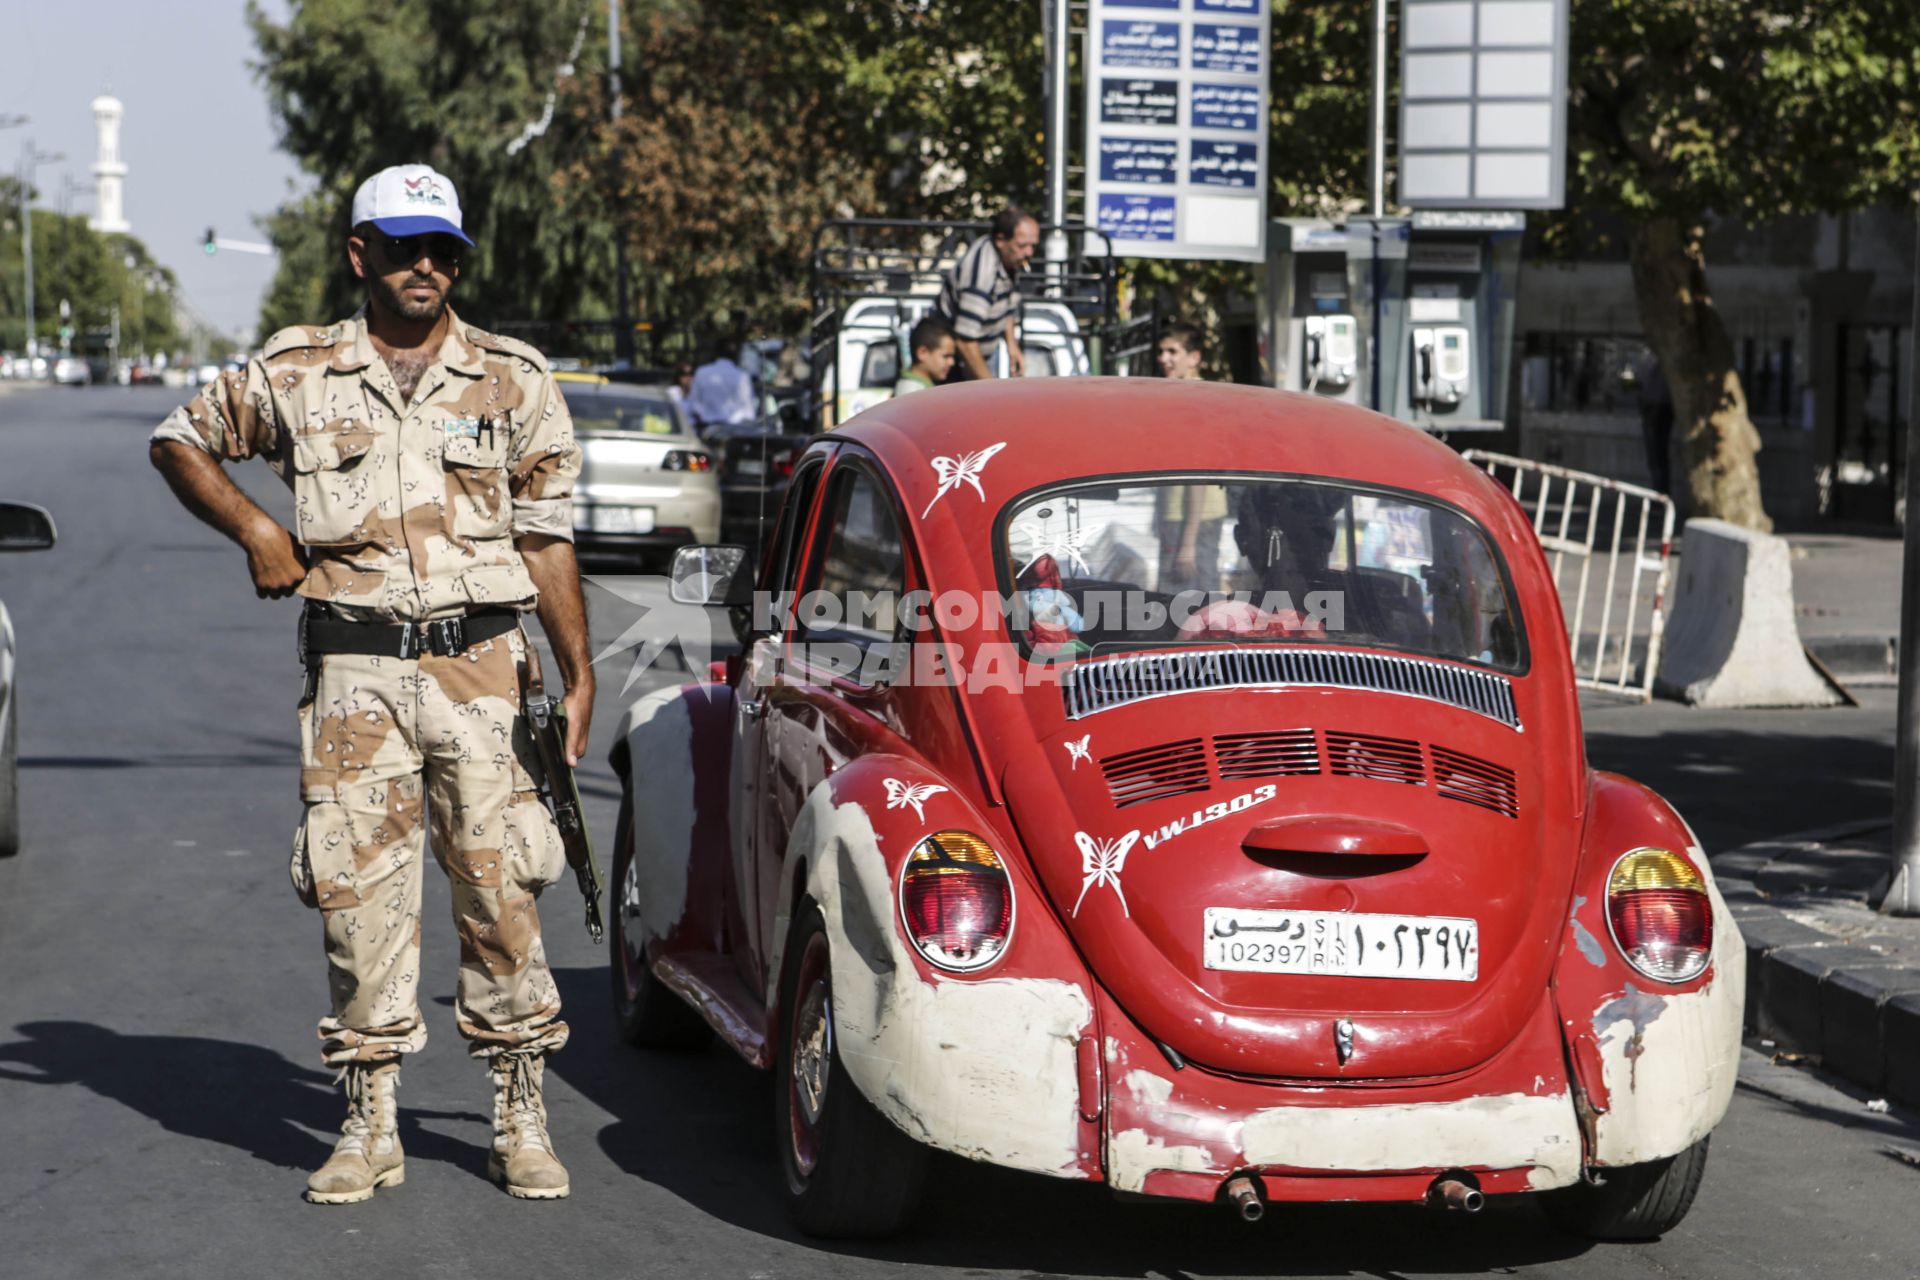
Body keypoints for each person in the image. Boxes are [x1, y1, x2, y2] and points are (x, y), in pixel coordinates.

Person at [148, 163, 589, 1206]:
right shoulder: (301, 371)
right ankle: (368, 1119)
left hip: (485, 666)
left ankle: (519, 1108)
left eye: (443, 250)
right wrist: (257, 527)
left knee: (502, 892)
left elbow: (549, 535)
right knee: (358, 901)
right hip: (354, 674)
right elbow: (179, 439)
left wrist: (580, 676)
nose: (425, 267)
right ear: (361, 254)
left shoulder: (511, 376)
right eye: (403, 247)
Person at [1153, 321, 1229, 590]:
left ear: (1194, 357)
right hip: (1177, 515)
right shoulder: (1178, 398)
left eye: (1173, 352)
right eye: (1161, 352)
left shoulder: (1196, 402)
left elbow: (1199, 472)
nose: (1164, 359)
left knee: (1192, 601)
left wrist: (1188, 543)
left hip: (1196, 518)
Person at [933, 206, 1039, 381]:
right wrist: (990, 388)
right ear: (1000, 240)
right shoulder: (981, 276)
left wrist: (1012, 346)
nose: (1029, 253)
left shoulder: (1009, 258)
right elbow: (965, 341)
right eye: (1022, 246)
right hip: (958, 363)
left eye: (1033, 245)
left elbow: (1005, 304)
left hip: (983, 353)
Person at [685, 336, 756, 429]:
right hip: (734, 431)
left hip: (707, 429)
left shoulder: (702, 372)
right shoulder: (742, 376)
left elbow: (692, 405)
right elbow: (749, 411)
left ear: (716, 353)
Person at [893, 315, 956, 397]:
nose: (952, 362)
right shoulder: (911, 392)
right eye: (946, 356)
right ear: (922, 353)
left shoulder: (921, 389)